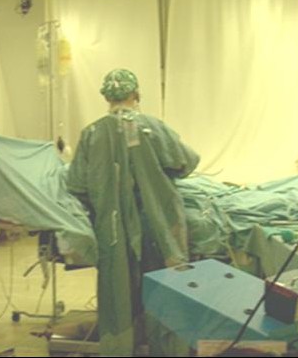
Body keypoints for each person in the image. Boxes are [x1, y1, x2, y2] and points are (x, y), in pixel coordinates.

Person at [67, 68, 200, 357]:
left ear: (106, 97)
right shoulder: (153, 127)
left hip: (114, 230)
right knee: (166, 288)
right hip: (160, 226)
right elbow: (187, 162)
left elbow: (76, 184)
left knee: (117, 293)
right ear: (136, 95)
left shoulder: (91, 134)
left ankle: (119, 348)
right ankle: (168, 349)